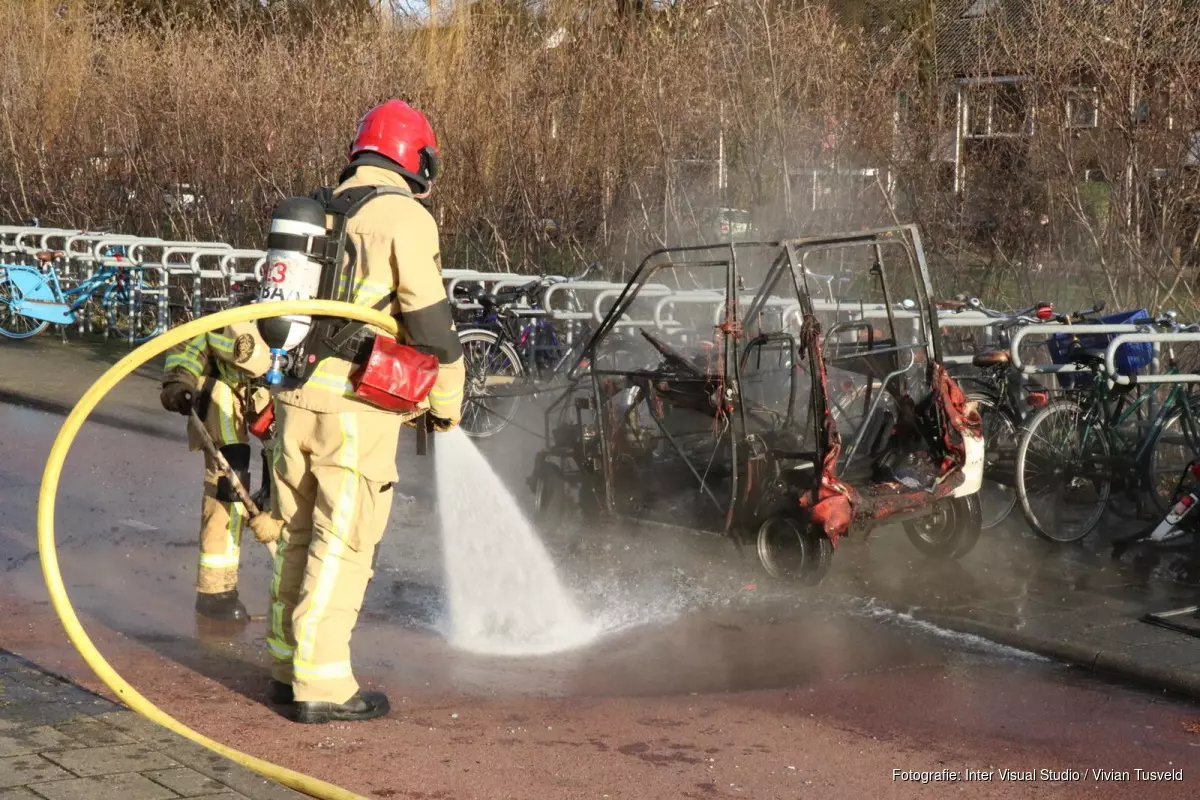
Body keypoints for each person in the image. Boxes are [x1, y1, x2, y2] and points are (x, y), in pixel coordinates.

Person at [265, 99, 465, 724]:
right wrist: (447, 402)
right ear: (416, 159)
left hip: (294, 395)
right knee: (342, 544)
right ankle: (322, 683)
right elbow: (430, 325)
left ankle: (285, 666)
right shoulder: (404, 216)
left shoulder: (319, 208)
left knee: (296, 537)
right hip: (355, 406)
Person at [160, 323, 274, 621]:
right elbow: (195, 339)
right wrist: (179, 381)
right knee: (229, 480)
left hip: (288, 394)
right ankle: (216, 591)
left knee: (292, 478)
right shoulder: (232, 316)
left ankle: (299, 584)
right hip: (225, 386)